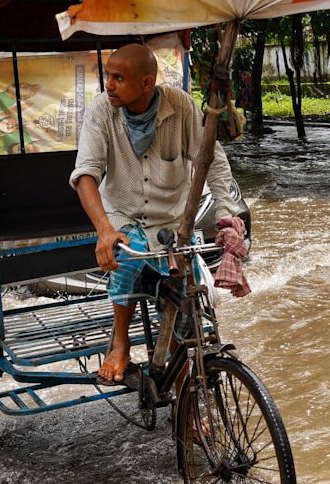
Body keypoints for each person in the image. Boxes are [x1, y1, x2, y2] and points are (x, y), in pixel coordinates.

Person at [70, 43, 237, 383]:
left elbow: (212, 160)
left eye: (119, 78)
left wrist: (228, 216)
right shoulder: (102, 111)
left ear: (146, 83)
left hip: (171, 220)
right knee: (125, 254)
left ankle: (185, 401)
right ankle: (119, 344)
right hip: (122, 211)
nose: (109, 85)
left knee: (186, 301)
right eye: (108, 77)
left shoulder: (181, 106)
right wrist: (103, 229)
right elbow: (85, 173)